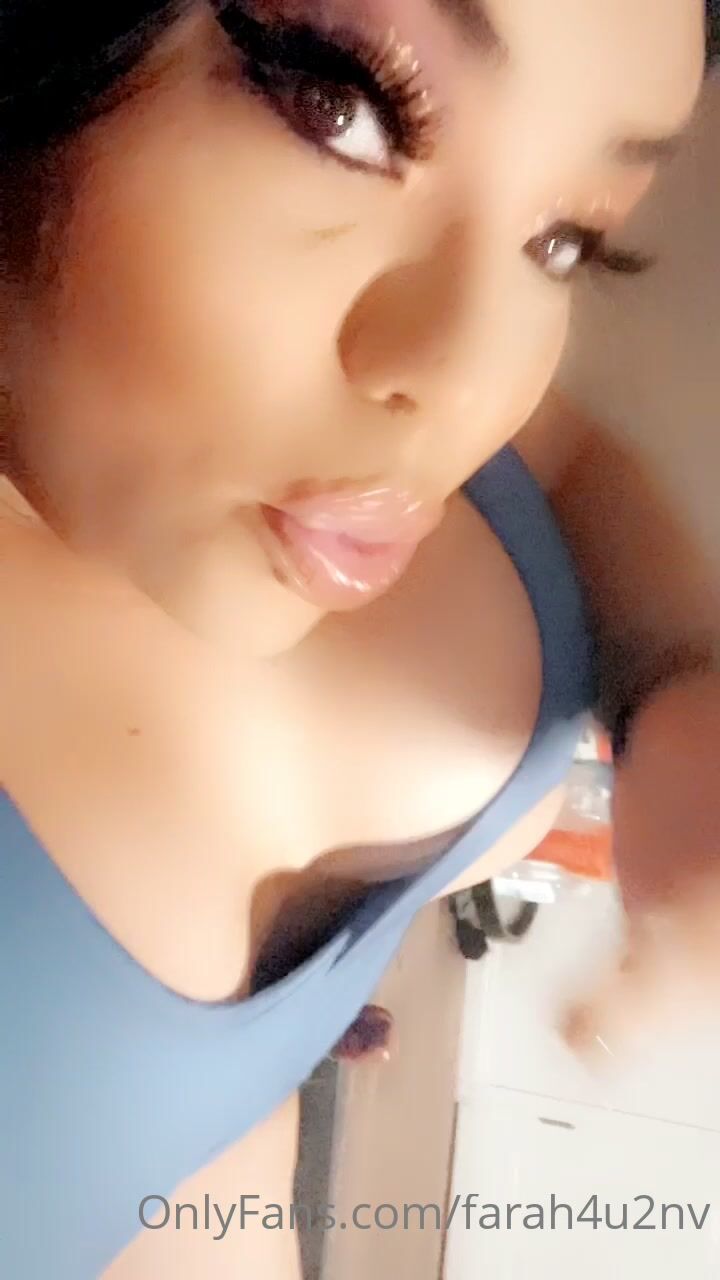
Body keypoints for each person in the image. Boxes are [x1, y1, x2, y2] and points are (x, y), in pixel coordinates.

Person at [0, 1, 712, 1276]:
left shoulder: (353, 454)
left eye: (564, 237)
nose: (473, 381)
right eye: (342, 107)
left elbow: (563, 465)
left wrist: (680, 682)